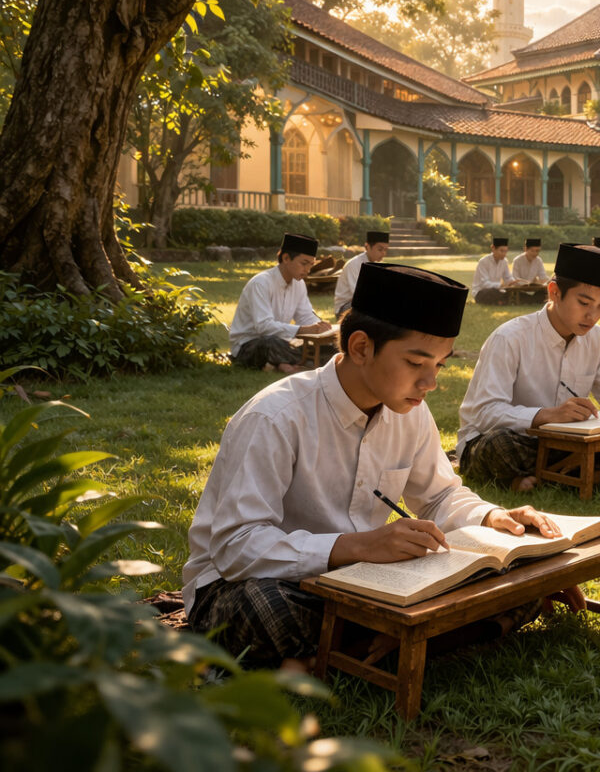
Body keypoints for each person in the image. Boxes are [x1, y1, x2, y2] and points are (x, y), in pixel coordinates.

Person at [185, 262, 577, 671]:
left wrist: (493, 516)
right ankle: (410, 641)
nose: (430, 383)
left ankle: (337, 656)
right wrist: (354, 546)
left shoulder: (410, 411)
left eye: (439, 365)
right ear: (360, 348)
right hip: (257, 583)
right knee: (265, 609)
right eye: (415, 363)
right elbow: (234, 545)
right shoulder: (276, 417)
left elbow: (440, 495)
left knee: (515, 580)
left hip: (363, 579)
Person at [456, 243, 600, 491]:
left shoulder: (596, 338)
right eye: (584, 303)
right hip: (513, 439)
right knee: (500, 446)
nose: (593, 316)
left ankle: (554, 475)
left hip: (566, 443)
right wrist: (547, 415)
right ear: (554, 292)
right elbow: (484, 413)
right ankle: (586, 473)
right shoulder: (510, 338)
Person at [230, 233, 333, 373]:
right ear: (286, 258)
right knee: (270, 343)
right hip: (250, 345)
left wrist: (323, 330)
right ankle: (301, 363)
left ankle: (286, 364)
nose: (308, 270)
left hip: (283, 342)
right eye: (304, 264)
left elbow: (306, 317)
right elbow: (263, 327)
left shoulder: (299, 284)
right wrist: (304, 330)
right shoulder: (261, 283)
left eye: (311, 264)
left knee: (328, 346)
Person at [333, 230, 389, 318]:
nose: (383, 253)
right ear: (367, 247)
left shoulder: (381, 265)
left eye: (385, 250)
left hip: (366, 303)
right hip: (345, 308)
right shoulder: (354, 264)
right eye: (380, 249)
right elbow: (358, 295)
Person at [471, 236, 512, 304]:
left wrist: (513, 282)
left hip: (497, 290)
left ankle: (501, 301)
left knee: (512, 293)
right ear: (493, 248)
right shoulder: (483, 262)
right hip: (481, 292)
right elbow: (484, 284)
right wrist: (501, 285)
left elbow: (508, 277)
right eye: (501, 251)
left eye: (506, 251)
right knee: (492, 292)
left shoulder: (504, 261)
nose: (504, 254)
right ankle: (501, 301)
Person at [510, 238, 549, 302]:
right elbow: (514, 277)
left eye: (537, 251)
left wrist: (548, 281)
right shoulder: (517, 260)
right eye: (532, 251)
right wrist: (526, 283)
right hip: (520, 290)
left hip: (534, 289)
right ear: (525, 249)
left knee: (542, 293)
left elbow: (543, 276)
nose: (535, 253)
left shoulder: (538, 260)